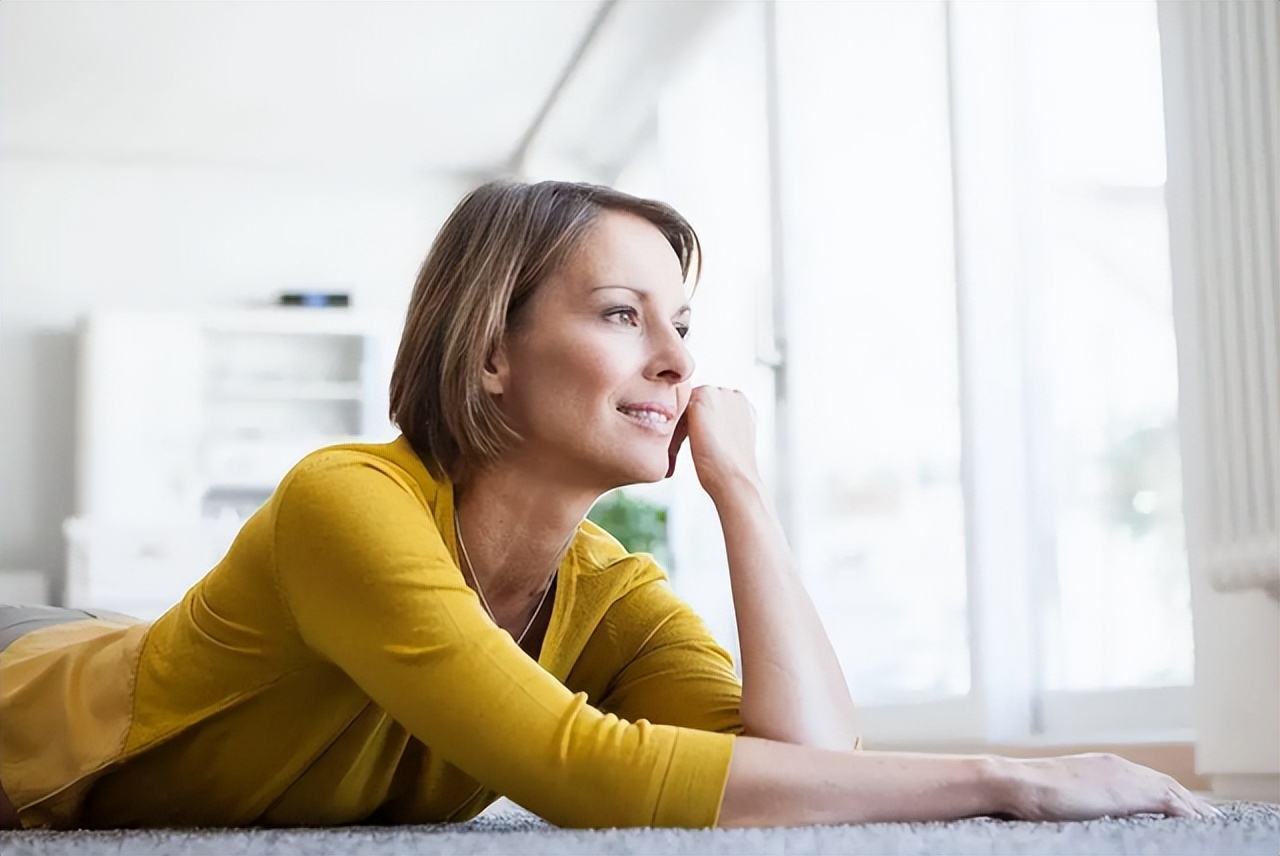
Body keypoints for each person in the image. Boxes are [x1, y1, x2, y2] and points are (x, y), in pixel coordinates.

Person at [0, 180, 1218, 830]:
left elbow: (801, 775)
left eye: (682, 325)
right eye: (621, 315)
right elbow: (585, 775)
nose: (678, 361)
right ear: (488, 351)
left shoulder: (612, 597)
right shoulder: (348, 499)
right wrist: (1008, 780)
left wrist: (742, 490)